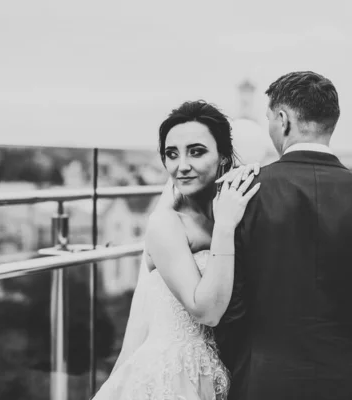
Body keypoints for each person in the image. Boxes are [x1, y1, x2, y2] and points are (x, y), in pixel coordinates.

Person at [215, 71, 352, 400]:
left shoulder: (245, 192)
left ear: (283, 120)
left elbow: (232, 308)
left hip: (263, 382)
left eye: (270, 120)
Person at [92, 100, 260, 400]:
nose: (181, 166)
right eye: (172, 154)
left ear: (223, 157)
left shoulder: (235, 209)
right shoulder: (165, 224)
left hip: (219, 371)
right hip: (170, 378)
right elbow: (206, 311)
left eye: (196, 151)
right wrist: (224, 227)